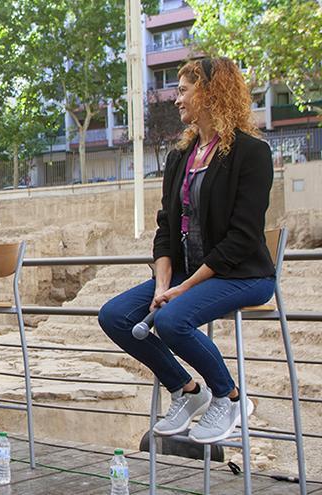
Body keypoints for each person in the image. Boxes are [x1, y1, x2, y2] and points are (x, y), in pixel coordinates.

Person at [97, 58, 276, 444]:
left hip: (244, 274)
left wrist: (183, 288)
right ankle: (187, 390)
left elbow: (243, 238)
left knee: (173, 320)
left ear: (211, 93)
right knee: (114, 316)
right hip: (188, 272)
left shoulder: (252, 153)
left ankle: (230, 398)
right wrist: (164, 282)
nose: (176, 99)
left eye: (183, 90)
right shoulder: (181, 156)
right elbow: (166, 228)